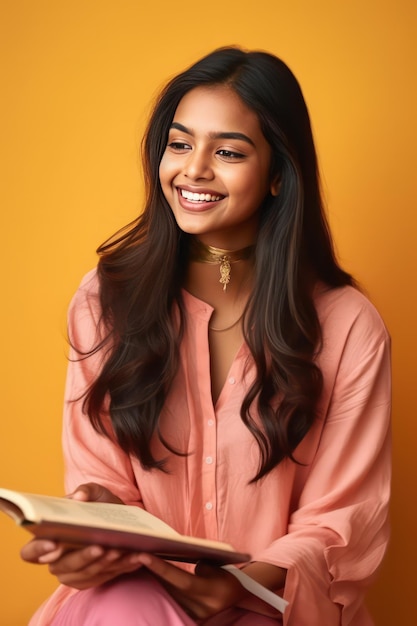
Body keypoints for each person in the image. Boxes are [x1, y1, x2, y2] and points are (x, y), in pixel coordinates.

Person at [21, 47, 391, 625]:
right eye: (179, 143)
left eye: (227, 151)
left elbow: (339, 519)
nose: (193, 169)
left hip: (276, 606)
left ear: (277, 173)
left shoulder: (348, 324)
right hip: (133, 597)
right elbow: (102, 476)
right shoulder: (105, 299)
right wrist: (91, 526)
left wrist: (237, 585)